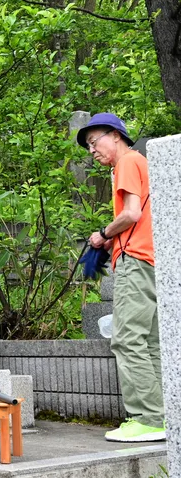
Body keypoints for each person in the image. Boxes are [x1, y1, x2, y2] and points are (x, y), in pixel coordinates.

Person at [77, 113, 164, 442]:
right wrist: (114, 238)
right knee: (150, 342)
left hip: (136, 262)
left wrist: (102, 234)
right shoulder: (142, 162)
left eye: (93, 141)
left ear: (115, 135)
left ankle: (147, 417)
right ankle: (161, 415)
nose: (92, 150)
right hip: (152, 260)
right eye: (88, 146)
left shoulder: (127, 161)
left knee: (126, 338)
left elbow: (130, 213)